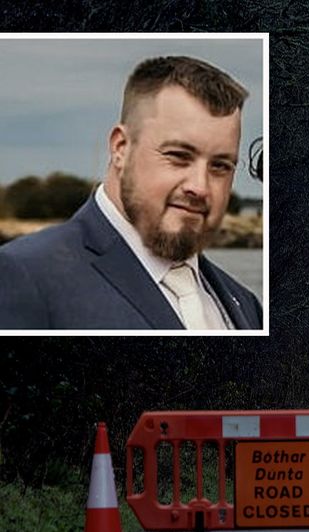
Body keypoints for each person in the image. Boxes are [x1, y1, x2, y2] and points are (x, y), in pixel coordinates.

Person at [0, 56, 262, 330]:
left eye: (220, 166)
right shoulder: (26, 277)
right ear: (121, 148)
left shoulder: (247, 307)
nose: (199, 186)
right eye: (178, 156)